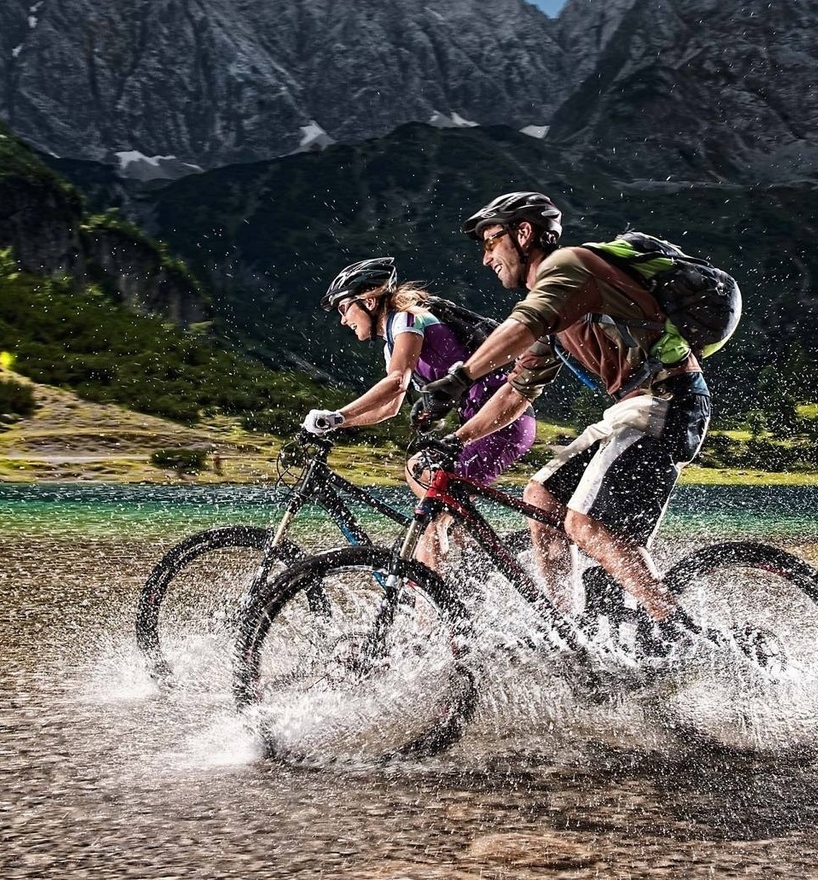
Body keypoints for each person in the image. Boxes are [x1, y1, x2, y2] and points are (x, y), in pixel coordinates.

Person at [412, 191, 713, 653]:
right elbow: (516, 392)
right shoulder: (555, 310)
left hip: (666, 402)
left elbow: (522, 325)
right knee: (542, 498)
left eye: (491, 242)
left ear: (524, 233)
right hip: (632, 410)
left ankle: (680, 630)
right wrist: (457, 439)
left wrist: (459, 378)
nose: (486, 257)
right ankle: (569, 630)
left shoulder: (568, 266)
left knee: (584, 523)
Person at [302, 256, 537, 570]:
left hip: (503, 420)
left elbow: (396, 383)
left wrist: (337, 415)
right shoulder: (392, 340)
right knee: (433, 493)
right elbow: (390, 407)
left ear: (369, 301)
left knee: (424, 487)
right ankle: (463, 559)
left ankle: (433, 601)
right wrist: (336, 425)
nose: (344, 320)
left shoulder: (408, 318)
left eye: (345, 308)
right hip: (486, 424)